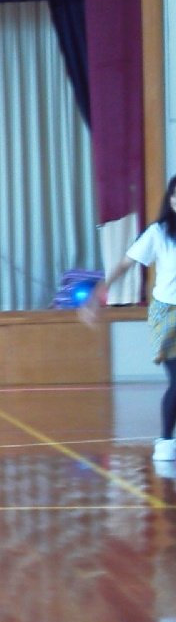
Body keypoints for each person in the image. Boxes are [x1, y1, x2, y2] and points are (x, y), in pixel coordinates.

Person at [82, 174, 176, 463]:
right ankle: (165, 441)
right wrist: (99, 293)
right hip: (167, 313)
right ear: (170, 199)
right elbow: (126, 263)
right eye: (175, 195)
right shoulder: (158, 233)